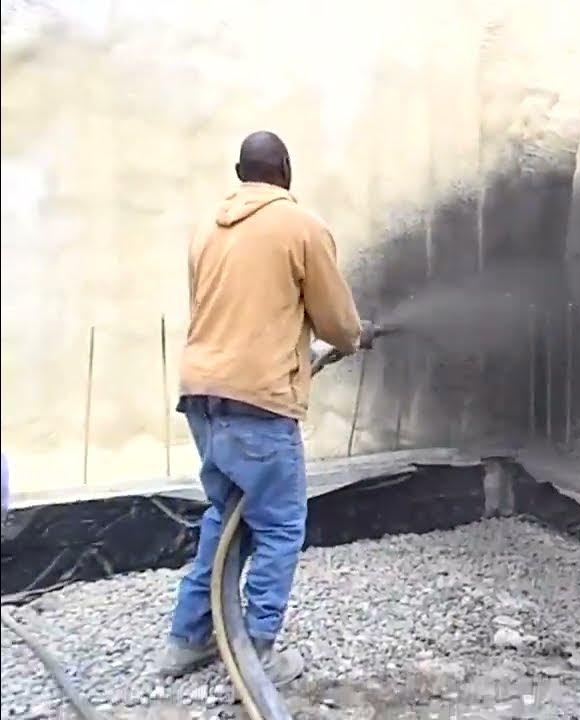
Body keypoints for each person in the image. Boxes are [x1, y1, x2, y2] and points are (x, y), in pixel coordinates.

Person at [160, 131, 374, 684]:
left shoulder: (206, 229)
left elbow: (222, 312)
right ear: (287, 170)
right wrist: (353, 336)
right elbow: (337, 322)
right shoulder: (301, 227)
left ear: (239, 171)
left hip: (202, 397)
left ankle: (187, 639)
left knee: (225, 516)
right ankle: (256, 652)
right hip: (257, 402)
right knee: (279, 526)